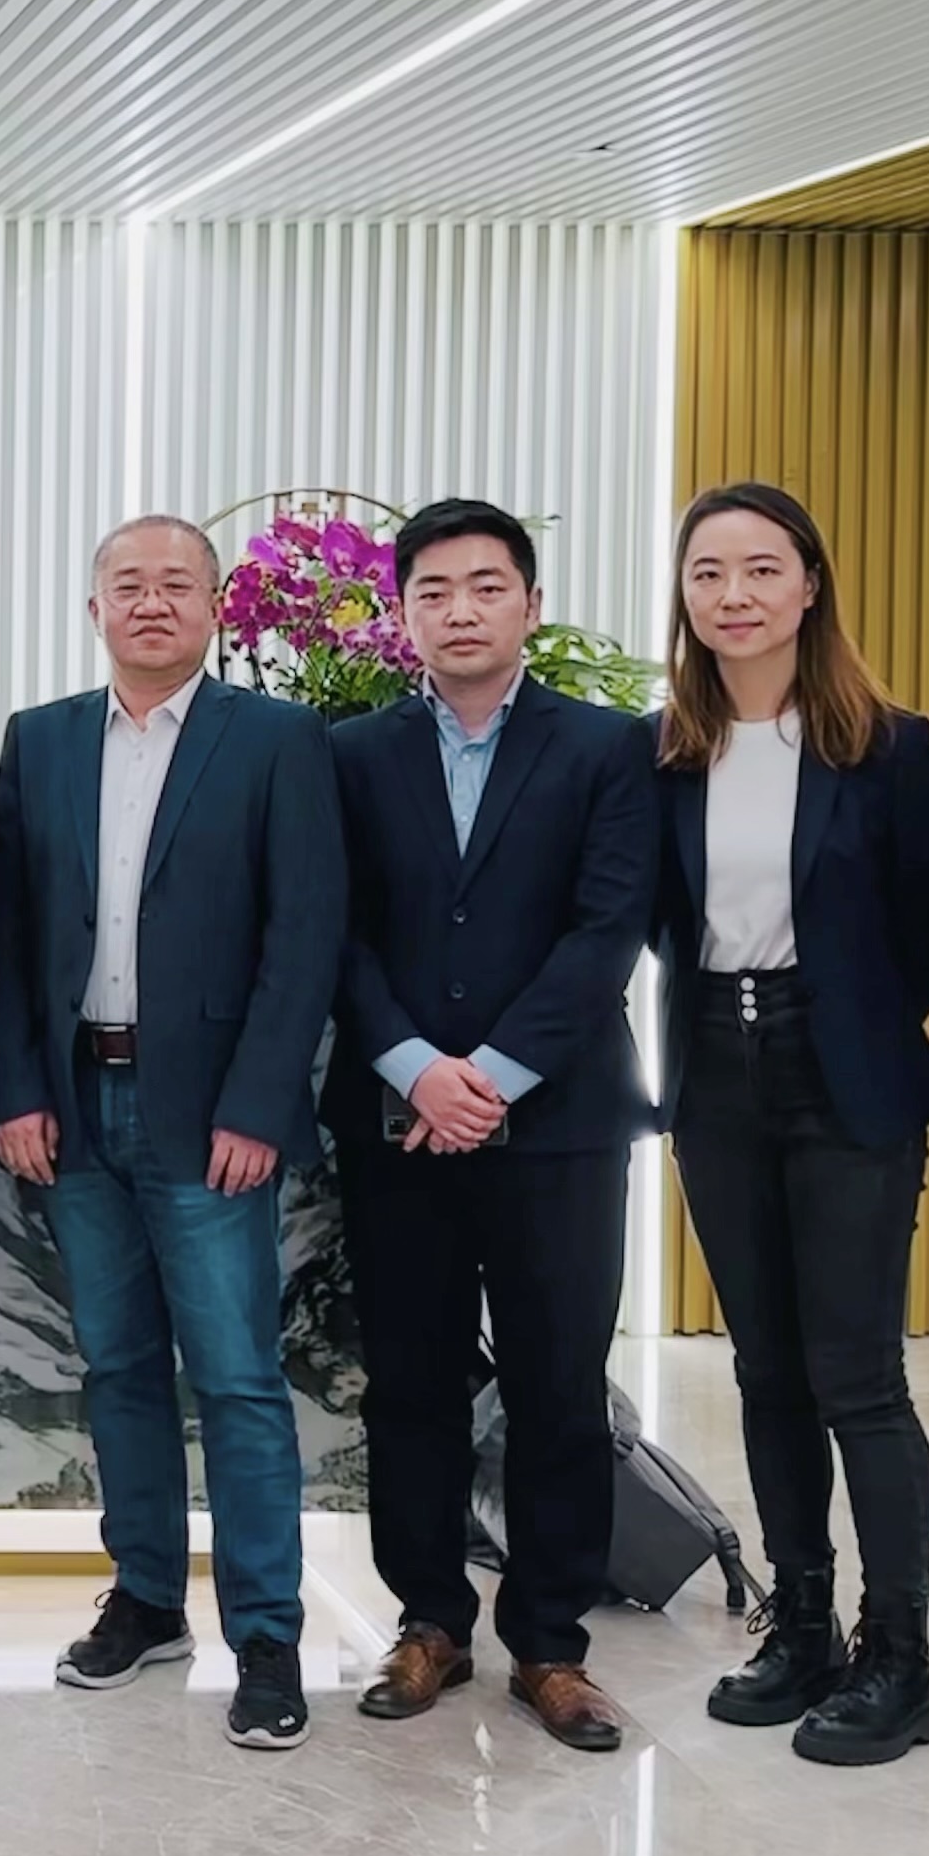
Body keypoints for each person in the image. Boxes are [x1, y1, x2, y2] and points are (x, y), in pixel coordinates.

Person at [0, 515, 341, 1748]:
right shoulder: (40, 739)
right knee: (117, 1367)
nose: (151, 602)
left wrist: (259, 1102)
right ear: (94, 609)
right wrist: (17, 1090)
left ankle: (268, 1633)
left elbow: (305, 932)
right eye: (126, 584)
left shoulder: (277, 739)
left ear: (216, 604)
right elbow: (6, 933)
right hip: (75, 1102)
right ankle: (144, 1596)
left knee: (236, 1377)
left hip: (210, 1114)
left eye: (175, 583)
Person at [328, 496, 655, 1753]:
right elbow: (336, 932)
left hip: (560, 1123)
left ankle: (552, 1643)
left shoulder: (607, 747)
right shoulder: (352, 753)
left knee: (557, 1383)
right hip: (400, 1121)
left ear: (530, 604)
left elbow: (607, 929)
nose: (459, 611)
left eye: (485, 587)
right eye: (433, 591)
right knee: (409, 1379)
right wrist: (418, 1069)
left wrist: (494, 1076)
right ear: (401, 612)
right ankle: (429, 1621)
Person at [646, 482, 929, 1766]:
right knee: (763, 1368)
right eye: (708, 572)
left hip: (847, 1075)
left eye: (762, 568)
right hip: (716, 1072)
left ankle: (902, 1656)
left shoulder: (887, 746)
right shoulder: (662, 749)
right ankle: (805, 1622)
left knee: (858, 1376)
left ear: (811, 584)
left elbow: (917, 936)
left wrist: (843, 1036)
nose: (735, 595)